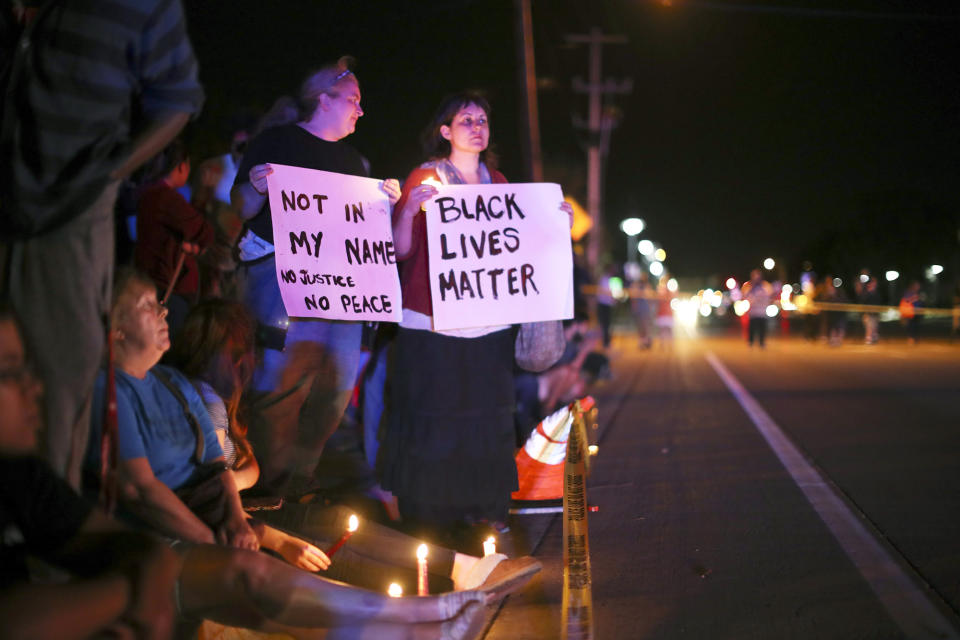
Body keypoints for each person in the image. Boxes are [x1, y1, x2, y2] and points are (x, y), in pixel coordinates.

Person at [4, 305, 489, 640]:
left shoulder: (30, 474)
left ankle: (429, 607)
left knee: (281, 554)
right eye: (9, 371)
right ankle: (422, 614)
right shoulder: (119, 395)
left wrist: (226, 526)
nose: (35, 387)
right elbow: (146, 490)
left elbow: (107, 530)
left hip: (227, 521)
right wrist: (144, 579)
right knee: (260, 567)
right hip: (211, 527)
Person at [166, 296, 542, 596]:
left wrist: (245, 477)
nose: (250, 360)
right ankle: (458, 574)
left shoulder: (204, 395)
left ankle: (456, 576)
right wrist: (251, 488)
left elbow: (228, 476)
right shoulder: (207, 398)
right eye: (242, 348)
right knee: (328, 531)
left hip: (237, 515)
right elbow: (222, 480)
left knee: (333, 530)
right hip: (233, 522)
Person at [0, 0, 205, 488]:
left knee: (56, 378)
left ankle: (42, 543)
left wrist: (109, 173)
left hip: (68, 211)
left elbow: (177, 99)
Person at [385, 90, 572, 542]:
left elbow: (524, 250)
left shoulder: (502, 185)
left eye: (483, 119)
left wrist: (555, 224)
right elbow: (399, 251)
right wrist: (409, 208)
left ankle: (481, 509)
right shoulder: (425, 178)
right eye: (465, 118)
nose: (476, 125)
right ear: (445, 131)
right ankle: (430, 513)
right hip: (430, 325)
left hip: (489, 328)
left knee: (486, 419)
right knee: (437, 415)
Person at [230, 57, 402, 498]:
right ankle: (269, 487)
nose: (361, 111)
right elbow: (241, 207)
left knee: (334, 391)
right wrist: (256, 188)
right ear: (323, 100)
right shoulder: (277, 142)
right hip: (282, 288)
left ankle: (301, 479)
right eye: (354, 100)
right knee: (279, 388)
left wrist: (384, 203)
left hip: (340, 294)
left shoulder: (353, 161)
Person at [135, 139, 216, 334]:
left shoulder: (147, 193)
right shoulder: (166, 198)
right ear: (181, 166)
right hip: (168, 286)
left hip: (149, 278)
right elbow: (204, 232)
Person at [742, 269, 773, 349]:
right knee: (752, 327)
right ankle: (751, 341)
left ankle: (762, 342)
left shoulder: (765, 285)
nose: (756, 278)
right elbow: (744, 295)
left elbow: (770, 294)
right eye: (754, 276)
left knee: (762, 328)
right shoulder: (749, 286)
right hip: (753, 312)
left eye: (757, 276)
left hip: (762, 311)